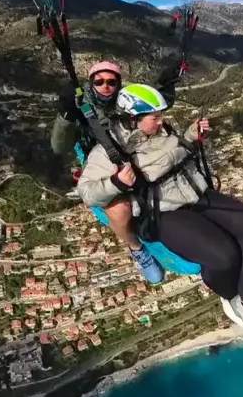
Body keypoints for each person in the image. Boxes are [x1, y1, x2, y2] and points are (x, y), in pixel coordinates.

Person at [76, 85, 243, 350]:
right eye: (155, 117)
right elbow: (87, 192)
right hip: (163, 212)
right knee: (224, 255)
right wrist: (116, 183)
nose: (161, 121)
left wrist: (190, 136)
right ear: (133, 118)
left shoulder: (163, 131)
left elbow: (175, 152)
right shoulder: (109, 151)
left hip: (194, 193)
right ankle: (232, 298)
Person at [50, 59, 165, 284]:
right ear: (91, 83)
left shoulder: (127, 102)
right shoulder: (81, 106)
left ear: (118, 84)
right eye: (99, 82)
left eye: (111, 82)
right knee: (119, 208)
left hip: (131, 152)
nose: (105, 86)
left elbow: (151, 116)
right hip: (100, 162)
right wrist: (66, 117)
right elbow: (59, 147)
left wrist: (166, 85)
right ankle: (136, 248)